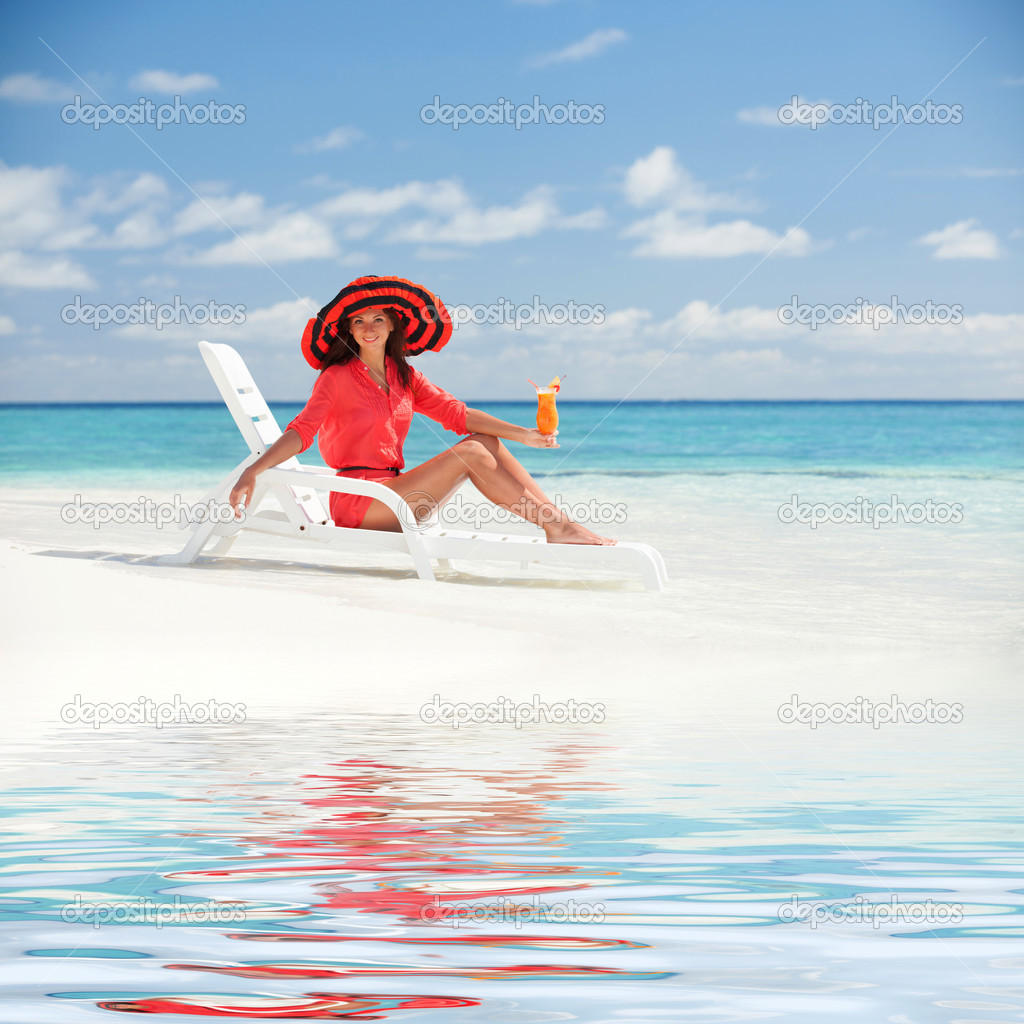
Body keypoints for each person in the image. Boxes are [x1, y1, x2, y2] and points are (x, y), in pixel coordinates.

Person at [229, 277, 614, 546]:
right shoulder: (336, 377)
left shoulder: (404, 375)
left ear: (392, 325)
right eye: (359, 321)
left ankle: (559, 525)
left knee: (483, 441)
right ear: (349, 329)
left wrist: (525, 435)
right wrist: (253, 470)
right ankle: (560, 528)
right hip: (360, 501)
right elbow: (302, 431)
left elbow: (456, 413)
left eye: (377, 319)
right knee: (472, 452)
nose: (369, 328)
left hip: (397, 493)